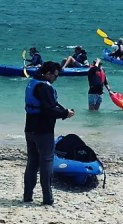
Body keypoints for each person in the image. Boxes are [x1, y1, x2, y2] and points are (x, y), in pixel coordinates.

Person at [23, 61, 75, 206]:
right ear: (48, 73)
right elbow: (49, 111)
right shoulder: (44, 87)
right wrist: (66, 113)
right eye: (55, 76)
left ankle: (27, 196)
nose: (55, 79)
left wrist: (63, 111)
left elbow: (45, 106)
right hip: (43, 131)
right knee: (46, 162)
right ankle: (47, 198)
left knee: (32, 162)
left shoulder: (33, 82)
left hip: (29, 129)